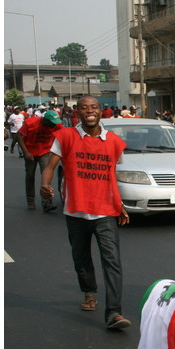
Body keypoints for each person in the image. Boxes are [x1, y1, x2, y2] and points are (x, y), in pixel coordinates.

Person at [40, 95, 132, 330]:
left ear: (101, 112)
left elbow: (113, 176)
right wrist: (45, 185)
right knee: (81, 258)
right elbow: (50, 166)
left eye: (93, 107)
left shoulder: (114, 142)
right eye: (83, 108)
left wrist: (119, 203)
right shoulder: (66, 137)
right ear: (76, 113)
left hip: (105, 212)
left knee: (113, 262)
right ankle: (89, 292)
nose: (89, 111)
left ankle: (114, 313)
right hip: (75, 212)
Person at [17, 109, 64, 212]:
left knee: (46, 176)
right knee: (30, 176)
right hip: (30, 152)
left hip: (45, 151)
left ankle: (47, 203)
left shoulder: (57, 124)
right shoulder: (31, 123)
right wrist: (25, 152)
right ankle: (30, 201)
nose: (53, 126)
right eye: (51, 123)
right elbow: (19, 135)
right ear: (45, 120)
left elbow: (63, 135)